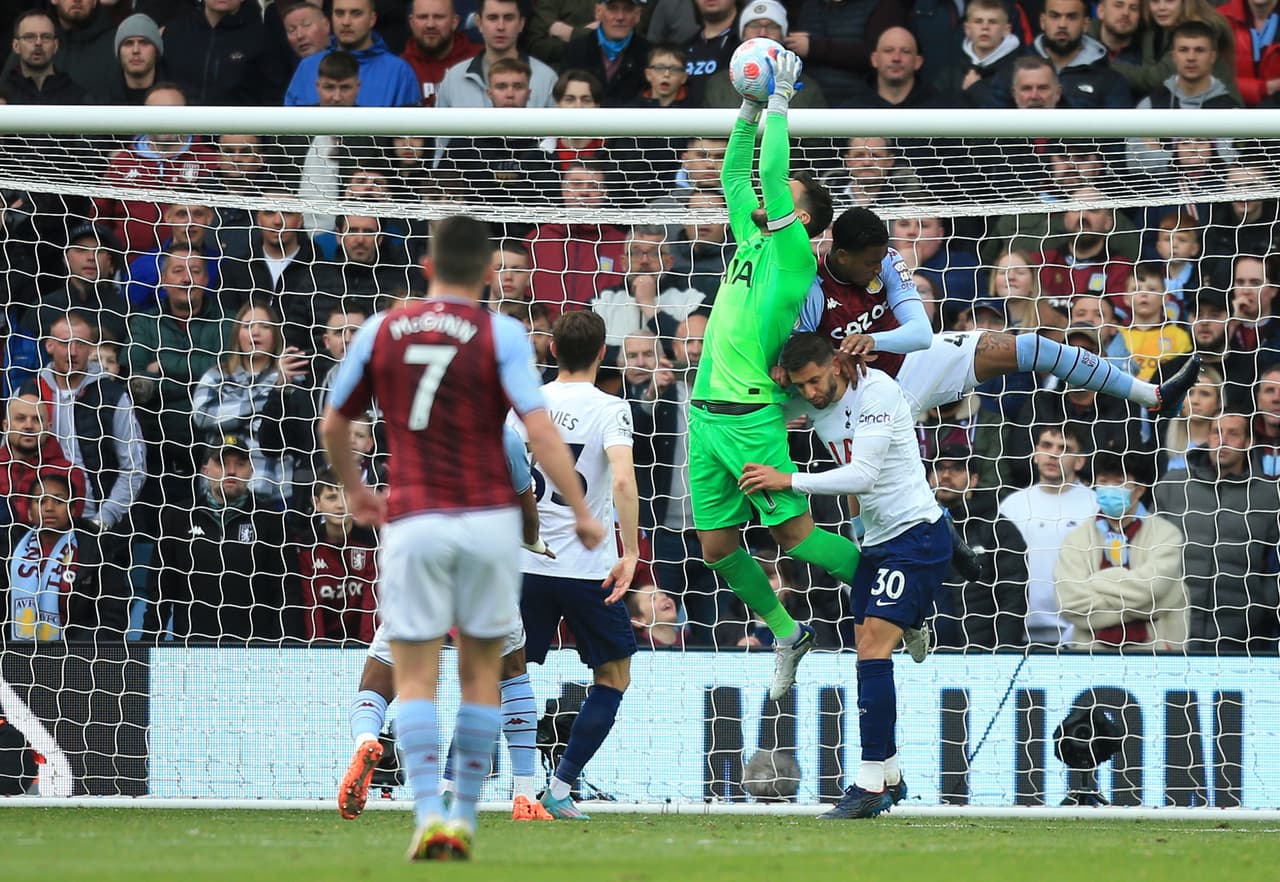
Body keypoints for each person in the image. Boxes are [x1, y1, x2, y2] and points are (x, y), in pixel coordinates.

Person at [320, 215, 602, 861]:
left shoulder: (383, 328)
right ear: (487, 275)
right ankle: (463, 820)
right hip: (486, 526)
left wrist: (355, 489)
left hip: (414, 520)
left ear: (427, 268)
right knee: (484, 679)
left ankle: (426, 815)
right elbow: (537, 429)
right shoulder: (501, 333)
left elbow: (335, 421)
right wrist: (583, 511)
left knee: (415, 677)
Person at [690, 50, 872, 702]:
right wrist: (746, 109)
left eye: (786, 196)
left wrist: (780, 101)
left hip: (748, 415)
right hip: (703, 414)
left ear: (805, 219)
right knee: (716, 546)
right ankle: (788, 633)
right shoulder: (751, 236)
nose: (771, 195)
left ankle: (896, 594)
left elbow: (768, 173)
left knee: (793, 536)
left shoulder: (793, 254)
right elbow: (736, 174)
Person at [738, 332, 950, 818]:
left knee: (872, 650)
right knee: (867, 652)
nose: (809, 393)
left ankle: (869, 784)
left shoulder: (878, 392)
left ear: (835, 364)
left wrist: (788, 480)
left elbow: (864, 475)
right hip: (877, 544)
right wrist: (775, 380)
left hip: (916, 536)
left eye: (815, 380)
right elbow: (770, 403)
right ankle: (889, 775)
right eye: (801, 386)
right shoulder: (811, 399)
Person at [798, 205, 1203, 427]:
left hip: (917, 360)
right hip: (863, 393)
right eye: (869, 262)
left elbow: (920, 333)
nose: (878, 268)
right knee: (872, 495)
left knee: (1032, 346)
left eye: (880, 259)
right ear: (842, 255)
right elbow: (803, 353)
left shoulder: (887, 259)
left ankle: (1152, 397)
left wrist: (875, 339)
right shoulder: (811, 290)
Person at [341, 423, 557, 822]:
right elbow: (525, 507)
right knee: (511, 674)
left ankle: (367, 739)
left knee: (378, 681)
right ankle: (526, 796)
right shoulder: (501, 433)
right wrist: (533, 541)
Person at [511, 311, 639, 820]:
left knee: (500, 674)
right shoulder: (611, 408)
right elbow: (624, 481)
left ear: (551, 350)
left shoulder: (526, 404)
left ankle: (460, 784)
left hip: (527, 561)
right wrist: (630, 552)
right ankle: (560, 788)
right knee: (614, 675)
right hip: (589, 569)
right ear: (603, 354)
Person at [1153, 412, 1280, 652]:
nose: (1222, 440)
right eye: (1216, 432)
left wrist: (1263, 606)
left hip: (1242, 636)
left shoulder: (1269, 495)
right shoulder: (1173, 484)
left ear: (1248, 442)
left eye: (1233, 434)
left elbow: (1274, 564)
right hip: (1174, 629)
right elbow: (1147, 547)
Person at [1055, 450, 1189, 653]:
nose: (1110, 489)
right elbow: (1070, 603)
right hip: (1091, 657)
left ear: (1139, 491)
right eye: (1103, 481)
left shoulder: (1166, 535)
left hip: (1156, 657)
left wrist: (1096, 581)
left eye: (1119, 482)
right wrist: (1145, 607)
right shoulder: (1076, 540)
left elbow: (1154, 589)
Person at [33, 313, 145, 535]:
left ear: (91, 348)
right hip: (35, 524)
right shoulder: (30, 392)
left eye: (81, 344)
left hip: (95, 524)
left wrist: (103, 519)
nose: (73, 352)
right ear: (49, 346)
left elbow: (134, 468)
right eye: (65, 343)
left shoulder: (113, 397)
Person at [998, 424, 1099, 646]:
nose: (1054, 454)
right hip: (1017, 632)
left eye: (1064, 448)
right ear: (1035, 453)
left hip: (1078, 633)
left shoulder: (1095, 505)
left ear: (1080, 461)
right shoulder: (1012, 505)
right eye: (1047, 445)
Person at [1, 471, 129, 644]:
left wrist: (74, 651)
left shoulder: (96, 549)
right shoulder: (10, 549)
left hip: (80, 653)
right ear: (29, 512)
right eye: (41, 501)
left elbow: (112, 619)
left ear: (73, 509)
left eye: (59, 501)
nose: (49, 508)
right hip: (15, 653)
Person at [285, 0, 420, 106]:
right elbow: (289, 128)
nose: (346, 22)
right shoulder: (308, 67)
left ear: (372, 19)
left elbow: (409, 131)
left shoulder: (399, 72)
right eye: (339, 13)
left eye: (356, 13)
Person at [401, 0, 480, 106]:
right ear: (412, 23)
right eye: (423, 17)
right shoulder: (399, 69)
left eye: (439, 17)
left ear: (454, 22)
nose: (430, 25)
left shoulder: (480, 59)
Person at [5, 11, 87, 103]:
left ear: (55, 46)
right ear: (16, 46)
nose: (38, 43)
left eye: (46, 37)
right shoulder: (3, 94)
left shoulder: (77, 97)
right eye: (30, 37)